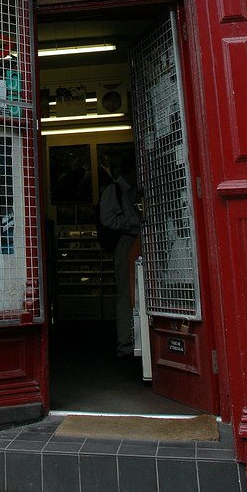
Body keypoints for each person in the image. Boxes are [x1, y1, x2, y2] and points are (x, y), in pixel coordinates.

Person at [99, 151, 142, 357]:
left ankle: (137, 340)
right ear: (130, 171)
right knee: (126, 291)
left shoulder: (132, 190)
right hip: (126, 241)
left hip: (135, 240)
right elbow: (107, 219)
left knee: (135, 289)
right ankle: (125, 343)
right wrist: (131, 223)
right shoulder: (114, 190)